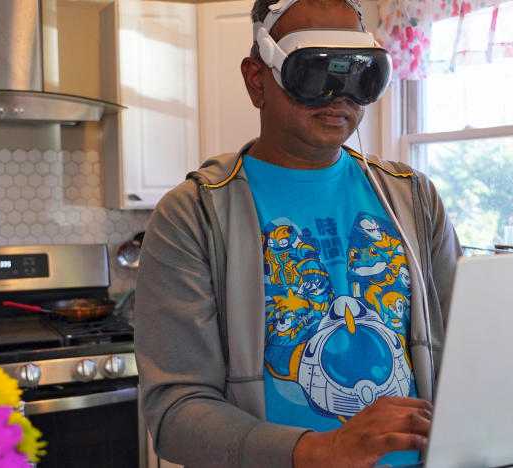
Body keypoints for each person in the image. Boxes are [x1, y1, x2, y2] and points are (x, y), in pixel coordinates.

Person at [135, 0, 461, 466]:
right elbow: (175, 415)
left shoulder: (413, 198)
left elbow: (464, 351)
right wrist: (323, 450)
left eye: (359, 75)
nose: (340, 95)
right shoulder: (193, 215)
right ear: (256, 80)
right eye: (314, 73)